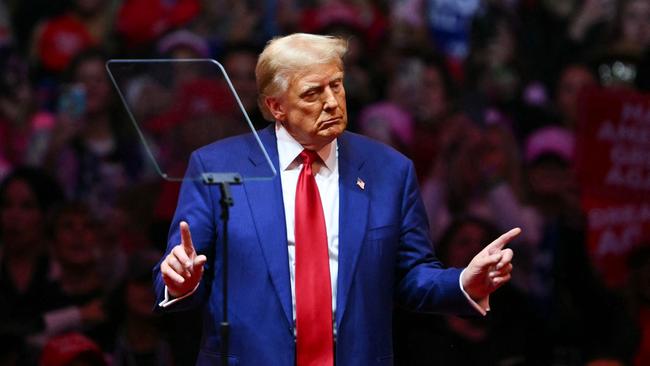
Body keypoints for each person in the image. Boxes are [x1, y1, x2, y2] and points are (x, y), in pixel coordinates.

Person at [153, 33, 519, 365]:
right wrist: (179, 282)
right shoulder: (217, 166)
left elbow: (410, 275)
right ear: (276, 106)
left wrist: (462, 284)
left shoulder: (389, 171)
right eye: (313, 93)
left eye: (337, 86)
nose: (332, 102)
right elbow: (180, 267)